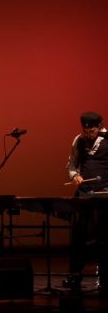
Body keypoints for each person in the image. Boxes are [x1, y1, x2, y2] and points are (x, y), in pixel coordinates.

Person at [64, 112, 108, 292]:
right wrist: (75, 176)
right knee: (78, 234)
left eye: (92, 130)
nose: (89, 134)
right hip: (84, 193)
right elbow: (72, 164)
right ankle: (75, 275)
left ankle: (105, 277)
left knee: (104, 236)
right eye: (86, 130)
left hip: (105, 193)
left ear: (100, 126)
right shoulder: (79, 140)